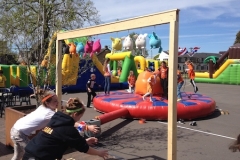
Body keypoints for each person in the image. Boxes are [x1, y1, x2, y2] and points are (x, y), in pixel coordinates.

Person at [10, 89, 98, 160]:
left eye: (58, 100)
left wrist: (68, 105)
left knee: (18, 156)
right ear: (47, 103)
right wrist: (87, 127)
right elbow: (67, 120)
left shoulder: (43, 107)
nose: (58, 103)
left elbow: (66, 114)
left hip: (16, 128)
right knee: (33, 153)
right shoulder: (49, 114)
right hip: (20, 133)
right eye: (55, 101)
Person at [22, 98, 109, 160]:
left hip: (31, 150)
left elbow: (62, 137)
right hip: (39, 156)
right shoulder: (68, 130)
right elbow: (84, 148)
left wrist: (85, 141)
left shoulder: (56, 118)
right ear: (75, 114)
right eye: (80, 116)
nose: (80, 119)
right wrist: (99, 153)